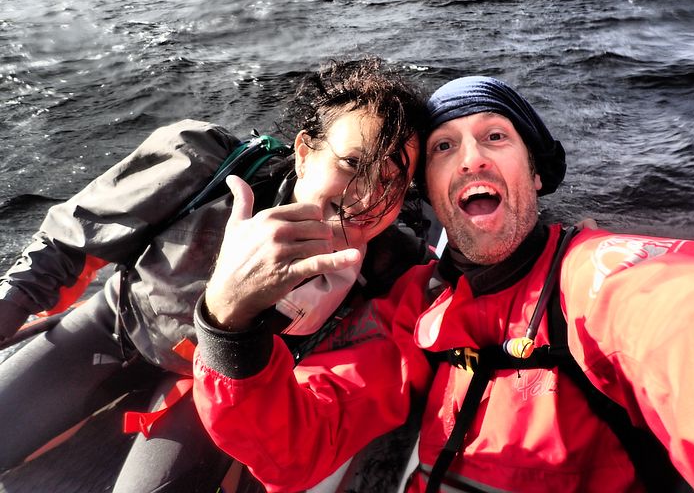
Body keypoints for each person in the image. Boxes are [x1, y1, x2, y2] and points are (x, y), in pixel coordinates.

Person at [193, 75, 694, 493]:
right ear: (430, 193)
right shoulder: (412, 304)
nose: (471, 159)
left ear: (534, 173)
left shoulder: (601, 279)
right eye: (444, 147)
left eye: (496, 136)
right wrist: (227, 321)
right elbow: (295, 445)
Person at [0, 57, 431, 492]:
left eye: (391, 183)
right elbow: (72, 237)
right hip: (115, 327)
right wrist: (11, 305)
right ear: (304, 153)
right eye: (352, 164)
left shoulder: (389, 268)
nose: (366, 198)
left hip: (209, 387)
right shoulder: (204, 165)